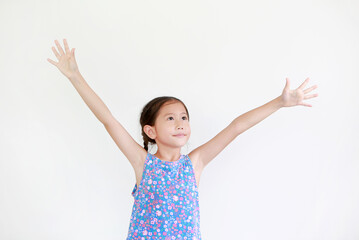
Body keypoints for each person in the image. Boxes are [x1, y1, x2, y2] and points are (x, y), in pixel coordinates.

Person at [47, 39, 319, 239]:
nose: (180, 124)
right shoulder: (143, 164)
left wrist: (279, 102)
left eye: (184, 117)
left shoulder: (195, 163)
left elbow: (236, 127)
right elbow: (108, 119)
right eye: (170, 118)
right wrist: (75, 76)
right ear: (150, 131)